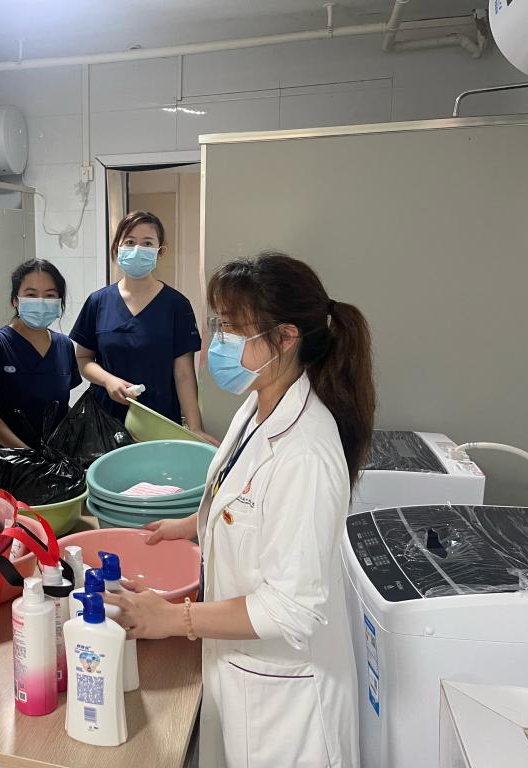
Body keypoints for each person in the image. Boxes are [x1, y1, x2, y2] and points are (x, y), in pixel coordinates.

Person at [103, 252, 373, 768]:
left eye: (230, 327)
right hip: (239, 673)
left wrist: (174, 617)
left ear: (286, 337)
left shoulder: (307, 453)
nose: (216, 340)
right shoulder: (258, 404)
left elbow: (292, 607)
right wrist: (194, 523)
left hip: (287, 705)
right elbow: (245, 496)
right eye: (218, 323)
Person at [70, 210, 214, 441]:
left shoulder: (176, 305)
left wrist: (194, 428)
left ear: (160, 251)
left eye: (147, 243)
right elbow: (83, 359)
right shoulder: (98, 302)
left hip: (158, 422)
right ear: (117, 247)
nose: (137, 249)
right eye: (130, 242)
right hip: (105, 423)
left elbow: (184, 374)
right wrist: (108, 380)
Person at [0, 259, 82, 447]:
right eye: (31, 294)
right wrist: (28, 454)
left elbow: (59, 407)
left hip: (55, 457)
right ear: (15, 300)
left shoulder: (64, 345)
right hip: (12, 459)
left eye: (50, 295)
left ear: (59, 302)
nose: (41, 302)